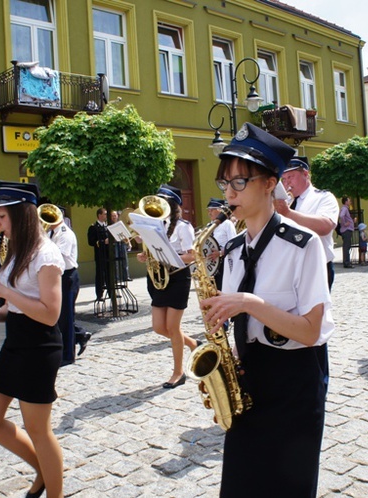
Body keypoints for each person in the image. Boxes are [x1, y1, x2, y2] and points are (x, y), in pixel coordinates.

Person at [200, 123, 333, 497]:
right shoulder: (233, 249)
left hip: (295, 379)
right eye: (225, 183)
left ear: (269, 183)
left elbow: (309, 331)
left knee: (288, 487)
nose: (229, 193)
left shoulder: (303, 244)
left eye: (239, 182)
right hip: (247, 376)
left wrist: (249, 304)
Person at [0, 181, 65, 498]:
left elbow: (50, 314)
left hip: (40, 346)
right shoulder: (15, 250)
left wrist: (4, 292)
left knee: (39, 430)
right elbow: (19, 304)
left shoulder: (47, 254)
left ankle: (54, 491)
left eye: (0, 217)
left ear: (20, 215)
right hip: (15, 341)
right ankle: (41, 468)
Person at [136, 184, 199, 388]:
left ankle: (178, 372)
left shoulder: (183, 227)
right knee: (158, 327)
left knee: (172, 327)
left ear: (172, 205)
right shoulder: (156, 227)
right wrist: (144, 255)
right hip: (158, 279)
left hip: (178, 278)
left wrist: (170, 257)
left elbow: (192, 256)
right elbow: (152, 252)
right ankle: (193, 344)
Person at [276, 156, 340, 289]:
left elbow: (325, 226)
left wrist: (288, 213)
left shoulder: (322, 197)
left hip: (316, 268)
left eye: (291, 177)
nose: (287, 183)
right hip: (288, 269)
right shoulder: (285, 201)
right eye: (284, 179)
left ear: (305, 174)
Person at [46, 209, 80, 366]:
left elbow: (58, 255)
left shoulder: (65, 233)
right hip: (57, 276)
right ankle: (77, 338)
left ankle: (68, 355)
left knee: (66, 318)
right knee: (59, 317)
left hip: (67, 276)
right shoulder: (49, 233)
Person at [206, 198, 237, 290]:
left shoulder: (227, 224)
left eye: (212, 210)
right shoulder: (210, 225)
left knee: (222, 288)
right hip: (211, 263)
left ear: (220, 210)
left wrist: (219, 253)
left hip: (223, 262)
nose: (209, 213)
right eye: (208, 210)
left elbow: (233, 243)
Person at [87, 208, 110, 302]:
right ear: (99, 215)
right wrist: (103, 242)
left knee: (109, 274)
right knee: (100, 275)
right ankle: (99, 294)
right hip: (100, 254)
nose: (106, 216)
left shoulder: (107, 226)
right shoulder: (93, 227)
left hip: (109, 254)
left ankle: (111, 292)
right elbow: (91, 241)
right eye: (105, 214)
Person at [338, 197, 355, 268]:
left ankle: (347, 262)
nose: (350, 202)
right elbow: (341, 215)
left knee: (347, 246)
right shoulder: (344, 209)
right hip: (346, 230)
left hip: (347, 229)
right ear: (345, 202)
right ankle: (346, 262)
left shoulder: (345, 209)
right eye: (349, 201)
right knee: (346, 246)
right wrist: (344, 223)